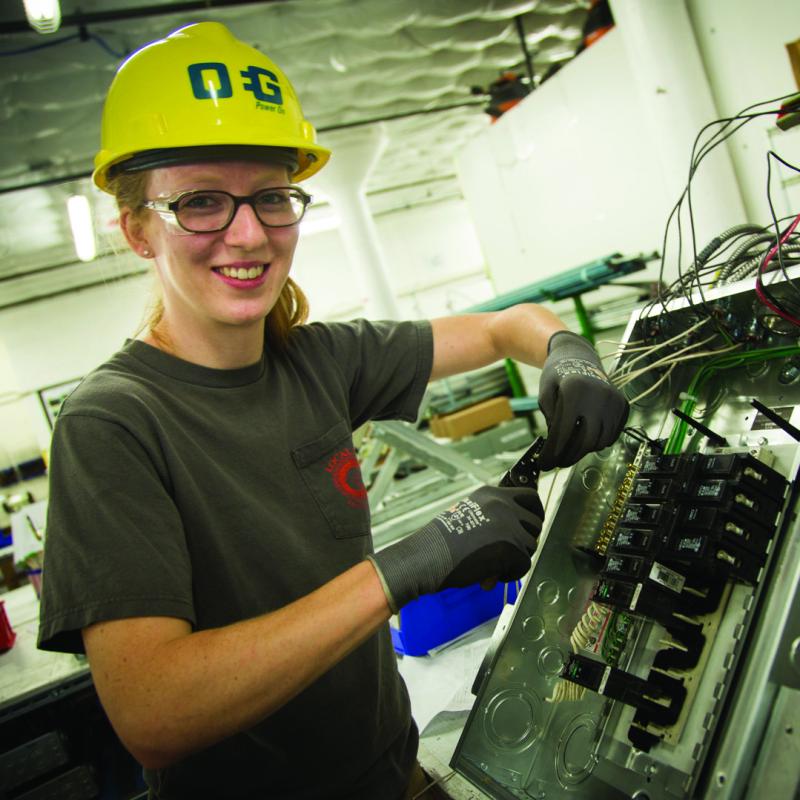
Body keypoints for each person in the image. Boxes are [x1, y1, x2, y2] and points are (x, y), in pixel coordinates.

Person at [37, 21, 628, 800]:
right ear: (137, 228)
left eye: (272, 198)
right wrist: (416, 564)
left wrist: (565, 351)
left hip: (395, 774)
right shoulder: (113, 425)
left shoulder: (316, 360)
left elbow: (504, 326)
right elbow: (154, 711)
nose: (247, 234)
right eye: (201, 204)